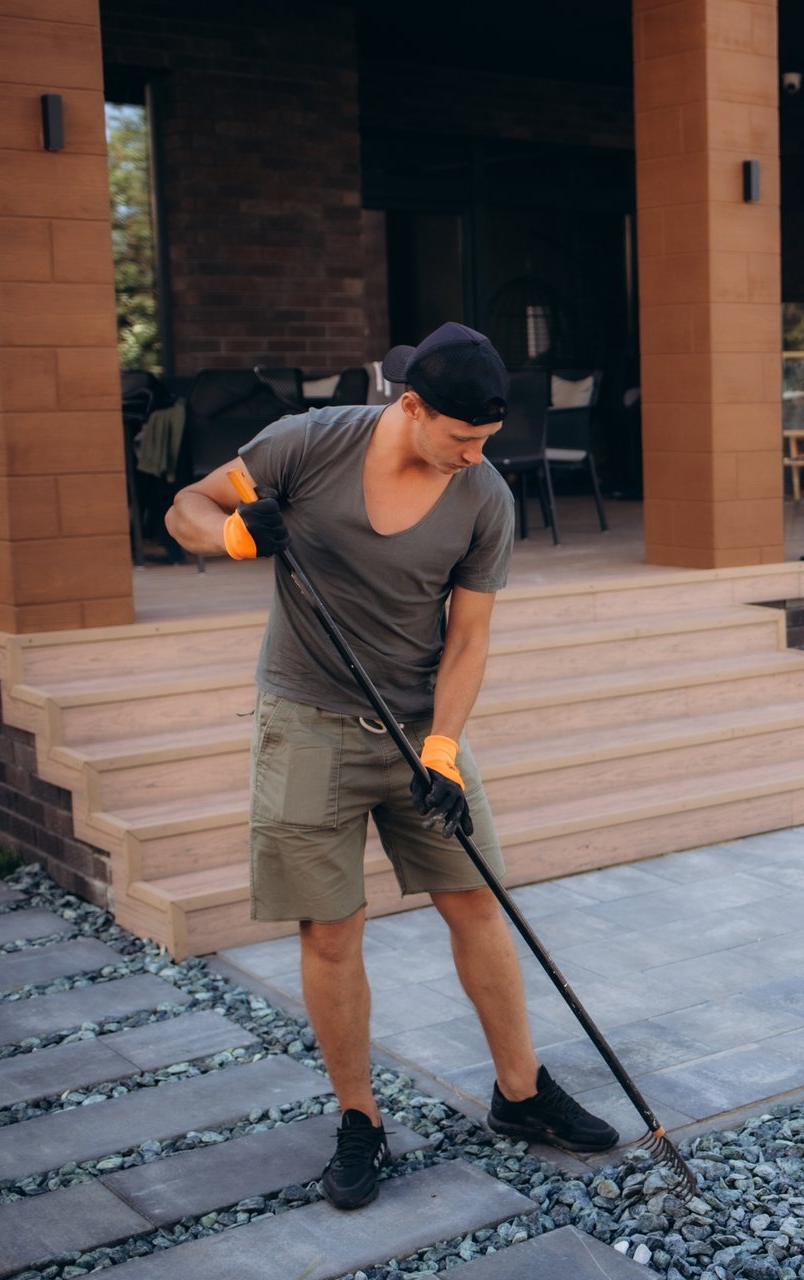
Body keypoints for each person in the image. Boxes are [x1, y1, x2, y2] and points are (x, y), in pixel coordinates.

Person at [166, 322, 617, 1210]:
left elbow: (471, 636)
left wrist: (443, 750)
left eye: (486, 443)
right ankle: (358, 1118)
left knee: (475, 902)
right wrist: (234, 537)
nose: (474, 458)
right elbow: (186, 506)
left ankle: (520, 1095)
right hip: (308, 721)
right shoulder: (309, 442)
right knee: (330, 929)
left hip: (418, 728)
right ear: (411, 407)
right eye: (460, 439)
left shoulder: (486, 496)